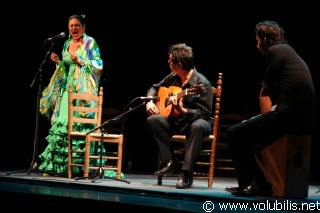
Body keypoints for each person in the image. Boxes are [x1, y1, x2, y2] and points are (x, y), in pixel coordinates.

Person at [225, 20, 316, 196]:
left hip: (290, 117)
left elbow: (265, 92)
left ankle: (257, 184)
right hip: (304, 117)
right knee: (249, 130)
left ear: (265, 39)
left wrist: (262, 120)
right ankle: (249, 184)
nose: (257, 45)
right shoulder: (289, 52)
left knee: (234, 134)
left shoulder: (275, 52)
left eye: (257, 40)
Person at [38, 14, 103, 176]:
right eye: (71, 26)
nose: (74, 28)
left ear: (84, 27)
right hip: (68, 90)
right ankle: (56, 167)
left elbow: (98, 65)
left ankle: (80, 167)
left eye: (77, 25)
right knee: (63, 125)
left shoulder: (90, 42)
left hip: (83, 92)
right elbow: (66, 72)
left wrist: (81, 60)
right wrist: (59, 63)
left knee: (80, 126)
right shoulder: (66, 43)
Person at [145, 43, 213, 189]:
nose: (168, 63)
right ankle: (170, 162)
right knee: (153, 119)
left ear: (179, 64)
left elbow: (205, 114)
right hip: (177, 122)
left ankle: (186, 173)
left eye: (170, 61)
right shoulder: (173, 77)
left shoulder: (202, 84)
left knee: (199, 126)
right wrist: (150, 101)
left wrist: (184, 111)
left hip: (196, 123)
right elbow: (154, 88)